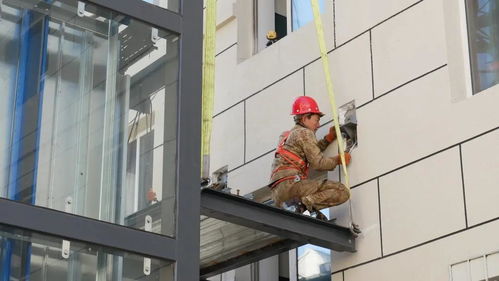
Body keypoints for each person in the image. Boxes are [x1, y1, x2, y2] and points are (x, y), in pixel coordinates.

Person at [268, 96, 351, 221]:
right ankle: (304, 205)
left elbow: (308, 152)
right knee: (342, 191)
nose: (318, 125)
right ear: (305, 117)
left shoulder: (287, 135)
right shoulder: (305, 133)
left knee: (316, 194)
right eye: (316, 120)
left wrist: (327, 139)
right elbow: (318, 163)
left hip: (278, 194)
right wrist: (338, 160)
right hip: (293, 186)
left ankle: (301, 206)